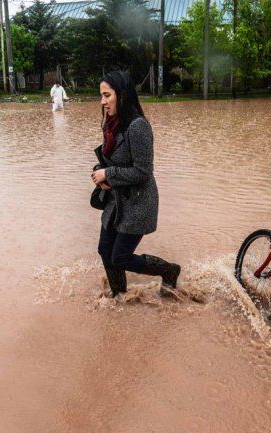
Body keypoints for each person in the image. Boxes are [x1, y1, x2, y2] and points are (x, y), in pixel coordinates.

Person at [91, 70, 181, 298]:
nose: (102, 101)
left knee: (120, 257)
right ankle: (119, 296)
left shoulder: (138, 126)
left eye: (106, 95)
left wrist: (108, 174)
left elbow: (143, 171)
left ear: (121, 95)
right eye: (101, 95)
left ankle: (169, 270)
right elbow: (109, 160)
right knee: (105, 250)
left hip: (139, 203)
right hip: (117, 200)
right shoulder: (111, 124)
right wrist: (99, 173)